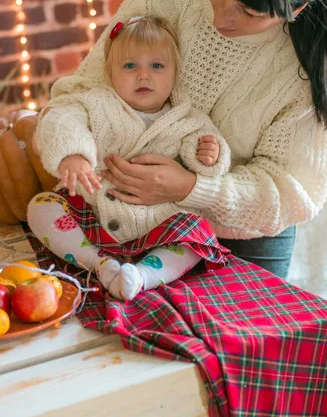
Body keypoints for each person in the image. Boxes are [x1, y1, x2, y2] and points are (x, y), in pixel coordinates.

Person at [47, 0, 327, 280]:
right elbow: (85, 88)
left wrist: (192, 188)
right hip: (133, 211)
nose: (223, 18)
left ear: (296, 8)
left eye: (249, 12)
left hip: (244, 232)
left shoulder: (310, 59)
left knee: (241, 337)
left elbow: (292, 192)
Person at [28, 16, 231, 300]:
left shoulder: (188, 118)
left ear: (175, 74)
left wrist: (209, 155)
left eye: (157, 66)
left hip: (156, 219)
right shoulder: (95, 102)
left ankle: (143, 275)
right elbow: (62, 116)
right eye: (130, 66)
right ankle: (99, 263)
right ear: (110, 72)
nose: (143, 75)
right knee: (41, 206)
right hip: (93, 211)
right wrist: (74, 152)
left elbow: (205, 158)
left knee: (198, 233)